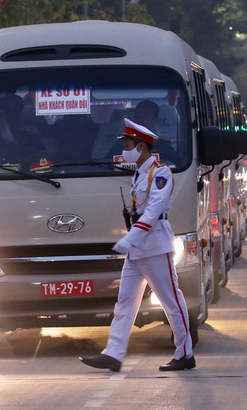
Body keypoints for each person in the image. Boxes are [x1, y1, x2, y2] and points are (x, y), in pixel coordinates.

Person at [79, 118, 195, 373]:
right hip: (138, 249)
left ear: (141, 147)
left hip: (155, 246)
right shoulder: (140, 174)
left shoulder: (160, 173)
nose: (124, 150)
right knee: (124, 303)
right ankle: (113, 353)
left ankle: (185, 353)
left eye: (128, 146)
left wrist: (130, 238)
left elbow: (153, 211)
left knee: (170, 301)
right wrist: (132, 240)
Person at [104, 100, 177, 164]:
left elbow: (175, 165)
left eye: (145, 116)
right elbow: (107, 164)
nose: (140, 120)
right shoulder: (122, 143)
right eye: (138, 116)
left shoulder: (163, 145)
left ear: (154, 120)